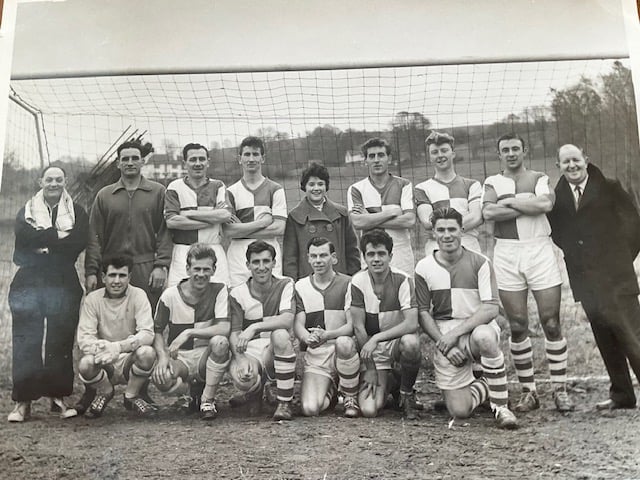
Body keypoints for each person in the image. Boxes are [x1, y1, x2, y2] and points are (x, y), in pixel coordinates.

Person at [482, 133, 573, 412]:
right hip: (507, 252)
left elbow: (546, 205)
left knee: (551, 322)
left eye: (515, 149)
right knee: (518, 324)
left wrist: (507, 203)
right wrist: (526, 204)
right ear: (499, 155)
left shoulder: (539, 178)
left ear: (524, 151)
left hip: (539, 250)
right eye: (505, 150)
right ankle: (529, 391)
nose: (510, 153)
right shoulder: (492, 182)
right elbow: (487, 212)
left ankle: (560, 388)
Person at [548, 144, 640, 410]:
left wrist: (618, 258)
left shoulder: (610, 187)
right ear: (559, 166)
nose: (572, 166)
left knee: (632, 335)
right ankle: (622, 394)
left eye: (576, 159)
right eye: (565, 162)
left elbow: (634, 226)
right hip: (586, 282)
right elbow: (558, 233)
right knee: (605, 338)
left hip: (617, 279)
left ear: (586, 159)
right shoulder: (559, 196)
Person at [415, 207, 518, 429]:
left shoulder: (480, 262)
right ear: (433, 233)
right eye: (440, 230)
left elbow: (491, 309)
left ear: (462, 230)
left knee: (485, 337)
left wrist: (454, 334)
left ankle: (501, 408)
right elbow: (423, 312)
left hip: (473, 329)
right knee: (460, 411)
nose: (447, 235)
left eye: (452, 229)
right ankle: (488, 383)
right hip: (445, 337)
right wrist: (446, 346)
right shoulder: (423, 267)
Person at [7, 166, 88, 422]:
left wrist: (44, 241)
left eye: (59, 179)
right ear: (40, 181)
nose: (54, 183)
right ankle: (23, 402)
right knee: (27, 340)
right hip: (29, 280)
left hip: (63, 280)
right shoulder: (27, 212)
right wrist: (57, 237)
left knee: (60, 341)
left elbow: (77, 243)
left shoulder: (78, 212)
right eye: (49, 179)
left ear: (66, 181)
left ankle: (58, 397)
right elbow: (23, 245)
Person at [85, 140, 172, 311]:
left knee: (146, 321)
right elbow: (94, 237)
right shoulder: (104, 195)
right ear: (118, 163)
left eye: (135, 158)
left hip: (145, 268)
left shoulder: (158, 192)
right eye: (125, 159)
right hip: (111, 268)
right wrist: (91, 272)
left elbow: (165, 233)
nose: (130, 163)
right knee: (111, 320)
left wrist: (161, 265)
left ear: (143, 161)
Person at [151, 244, 230, 420]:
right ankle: (185, 394)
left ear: (214, 270)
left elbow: (224, 327)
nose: (201, 274)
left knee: (220, 342)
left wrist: (189, 332)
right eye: (197, 269)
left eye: (206, 269)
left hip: (205, 354)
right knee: (162, 378)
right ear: (187, 269)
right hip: (181, 357)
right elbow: (156, 331)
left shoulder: (219, 289)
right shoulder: (170, 295)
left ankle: (207, 400)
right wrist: (163, 358)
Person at [350, 229, 423, 419]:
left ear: (390, 256)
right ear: (364, 257)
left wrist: (377, 338)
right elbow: (358, 327)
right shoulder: (357, 281)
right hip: (371, 350)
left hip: (394, 343)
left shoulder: (403, 279)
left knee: (411, 343)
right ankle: (390, 381)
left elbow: (412, 323)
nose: (376, 259)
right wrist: (371, 369)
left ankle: (406, 393)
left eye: (381, 254)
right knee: (369, 409)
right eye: (371, 254)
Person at [76, 255, 157, 417]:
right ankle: (105, 392)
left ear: (130, 277)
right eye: (112, 275)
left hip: (129, 357)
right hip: (104, 359)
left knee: (147, 353)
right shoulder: (92, 299)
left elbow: (147, 333)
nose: (117, 281)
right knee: (85, 364)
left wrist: (119, 347)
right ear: (103, 277)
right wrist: (104, 348)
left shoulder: (139, 295)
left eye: (122, 275)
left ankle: (132, 395)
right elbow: (84, 338)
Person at [227, 240, 297, 420]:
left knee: (281, 334)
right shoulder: (237, 292)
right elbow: (234, 333)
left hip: (274, 348)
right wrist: (241, 359)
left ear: (274, 263)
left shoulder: (285, 284)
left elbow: (287, 319)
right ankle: (255, 392)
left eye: (266, 261)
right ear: (247, 265)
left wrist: (254, 326)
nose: (261, 267)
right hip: (251, 351)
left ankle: (284, 402)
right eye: (256, 262)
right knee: (244, 379)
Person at [293, 237, 361, 418]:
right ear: (307, 258)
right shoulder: (300, 286)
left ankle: (350, 395)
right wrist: (306, 338)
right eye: (313, 256)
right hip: (318, 354)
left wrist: (328, 334)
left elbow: (352, 325)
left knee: (345, 343)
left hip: (342, 349)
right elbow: (298, 324)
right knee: (310, 409)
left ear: (334, 258)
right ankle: (332, 392)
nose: (318, 261)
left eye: (323, 255)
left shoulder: (348, 283)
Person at [164, 143, 232, 286]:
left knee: (220, 296)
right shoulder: (174, 187)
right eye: (193, 159)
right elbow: (172, 221)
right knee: (180, 298)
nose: (198, 163)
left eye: (202, 159)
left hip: (213, 248)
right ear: (185, 163)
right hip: (183, 250)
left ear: (208, 162)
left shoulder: (218, 185)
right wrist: (213, 218)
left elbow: (225, 215)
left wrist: (189, 213)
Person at [347, 138, 416, 277]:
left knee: (404, 296)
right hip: (371, 255)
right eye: (371, 156)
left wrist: (370, 217)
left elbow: (409, 221)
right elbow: (358, 222)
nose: (376, 160)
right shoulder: (356, 189)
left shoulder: (404, 185)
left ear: (389, 158)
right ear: (365, 160)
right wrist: (391, 213)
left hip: (400, 254)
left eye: (381, 155)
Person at [225, 136, 287, 287]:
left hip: (269, 254)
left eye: (255, 154)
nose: (251, 159)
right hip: (239, 257)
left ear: (263, 158)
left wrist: (241, 229)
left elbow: (279, 228)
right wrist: (263, 222)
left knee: (271, 302)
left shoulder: (276, 189)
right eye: (247, 154)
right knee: (240, 303)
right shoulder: (230, 192)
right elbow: (228, 232)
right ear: (240, 159)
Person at [283, 162, 360, 280]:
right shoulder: (295, 216)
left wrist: (353, 278)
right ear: (305, 187)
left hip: (340, 280)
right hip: (307, 282)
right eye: (311, 184)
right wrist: (292, 283)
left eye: (320, 184)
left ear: (326, 186)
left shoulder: (341, 213)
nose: (316, 188)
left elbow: (352, 251)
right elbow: (290, 257)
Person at [415, 131, 483, 255]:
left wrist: (441, 230)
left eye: (444, 150)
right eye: (435, 152)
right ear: (429, 158)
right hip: (436, 248)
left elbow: (476, 217)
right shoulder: (422, 188)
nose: (440, 155)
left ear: (453, 154)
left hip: (468, 246)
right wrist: (462, 225)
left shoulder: (472, 184)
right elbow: (427, 222)